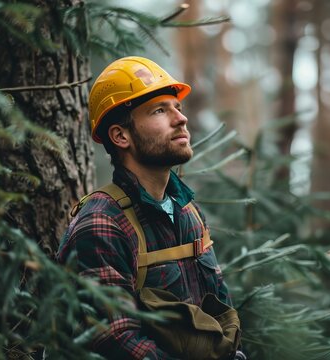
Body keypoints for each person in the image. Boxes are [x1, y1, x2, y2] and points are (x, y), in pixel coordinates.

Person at [57, 56, 246, 360]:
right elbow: (114, 339)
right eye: (160, 110)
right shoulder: (101, 223)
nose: (180, 118)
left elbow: (220, 306)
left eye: (177, 108)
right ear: (121, 136)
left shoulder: (188, 213)